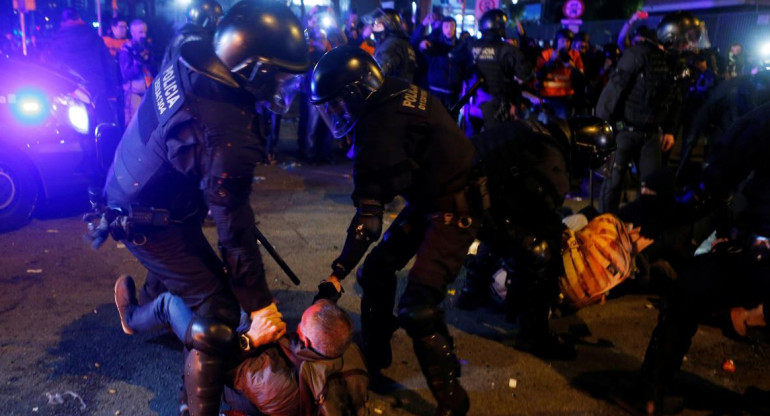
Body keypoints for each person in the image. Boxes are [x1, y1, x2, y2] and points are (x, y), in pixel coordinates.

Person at [85, 2, 310, 415]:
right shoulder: (224, 128)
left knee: (182, 273)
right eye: (280, 77)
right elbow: (234, 230)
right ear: (252, 68)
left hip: (144, 195)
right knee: (219, 314)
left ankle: (136, 312)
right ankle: (193, 402)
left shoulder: (193, 49)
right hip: (149, 220)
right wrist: (259, 309)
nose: (285, 88)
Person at [310, 46, 483, 416]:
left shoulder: (379, 127)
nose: (336, 116)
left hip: (454, 209)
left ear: (357, 93)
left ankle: (452, 398)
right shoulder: (397, 89)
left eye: (338, 105)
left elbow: (367, 222)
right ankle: (376, 354)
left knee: (417, 307)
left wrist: (336, 274)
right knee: (376, 270)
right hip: (434, 197)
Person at [638, 101, 770, 416]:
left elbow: (716, 180)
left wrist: (660, 224)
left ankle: (652, 394)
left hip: (761, 248)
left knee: (686, 293)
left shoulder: (763, 119)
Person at [457, 115, 615, 359]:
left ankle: (474, 290)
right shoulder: (552, 159)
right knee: (539, 248)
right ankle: (535, 334)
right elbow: (540, 213)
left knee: (513, 225)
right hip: (467, 204)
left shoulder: (539, 129)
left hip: (470, 192)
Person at [114, 276, 367, 415]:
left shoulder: (274, 382)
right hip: (268, 380)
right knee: (235, 301)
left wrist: (249, 340)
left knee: (191, 326)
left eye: (300, 324)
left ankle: (132, 319)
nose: (296, 325)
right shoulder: (347, 350)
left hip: (248, 390)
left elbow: (220, 362)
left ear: (309, 342)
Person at [596, 11, 706, 214]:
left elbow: (676, 101)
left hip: (652, 134)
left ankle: (643, 228)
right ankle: (605, 225)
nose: (690, 45)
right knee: (613, 181)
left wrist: (671, 131)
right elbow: (612, 93)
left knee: (652, 186)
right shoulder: (638, 55)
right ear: (672, 37)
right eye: (687, 40)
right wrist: (601, 128)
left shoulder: (677, 64)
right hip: (624, 130)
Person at [452, 9, 532, 135]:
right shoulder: (508, 50)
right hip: (496, 107)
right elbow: (524, 75)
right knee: (494, 145)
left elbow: (455, 69)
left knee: (470, 142)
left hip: (471, 104)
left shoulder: (470, 45)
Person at [44, 8, 120, 125]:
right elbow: (108, 64)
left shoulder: (57, 42)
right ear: (79, 19)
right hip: (96, 87)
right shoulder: (94, 37)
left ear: (63, 22)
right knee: (103, 125)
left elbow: (50, 68)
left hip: (71, 89)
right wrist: (111, 90)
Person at [534, 28, 584, 120]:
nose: (565, 43)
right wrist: (551, 61)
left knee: (562, 127)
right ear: (557, 40)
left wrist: (572, 67)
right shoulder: (546, 54)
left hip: (565, 97)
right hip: (547, 96)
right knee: (544, 125)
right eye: (562, 41)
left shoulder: (575, 55)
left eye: (568, 41)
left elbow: (581, 78)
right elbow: (538, 74)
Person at [162, 0, 224, 66]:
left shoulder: (180, 36)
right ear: (206, 20)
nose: (219, 23)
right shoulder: (200, 41)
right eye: (217, 19)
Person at [118, 19, 156, 123]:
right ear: (132, 32)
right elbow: (126, 75)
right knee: (134, 124)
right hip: (133, 93)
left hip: (148, 92)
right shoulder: (126, 50)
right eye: (140, 32)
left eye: (145, 32)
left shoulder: (148, 47)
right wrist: (139, 62)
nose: (144, 35)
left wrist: (149, 60)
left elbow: (154, 70)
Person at [371, 8, 417, 82]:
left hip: (391, 91)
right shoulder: (404, 42)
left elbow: (377, 74)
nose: (373, 29)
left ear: (389, 27)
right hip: (404, 89)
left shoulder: (391, 45)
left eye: (377, 25)